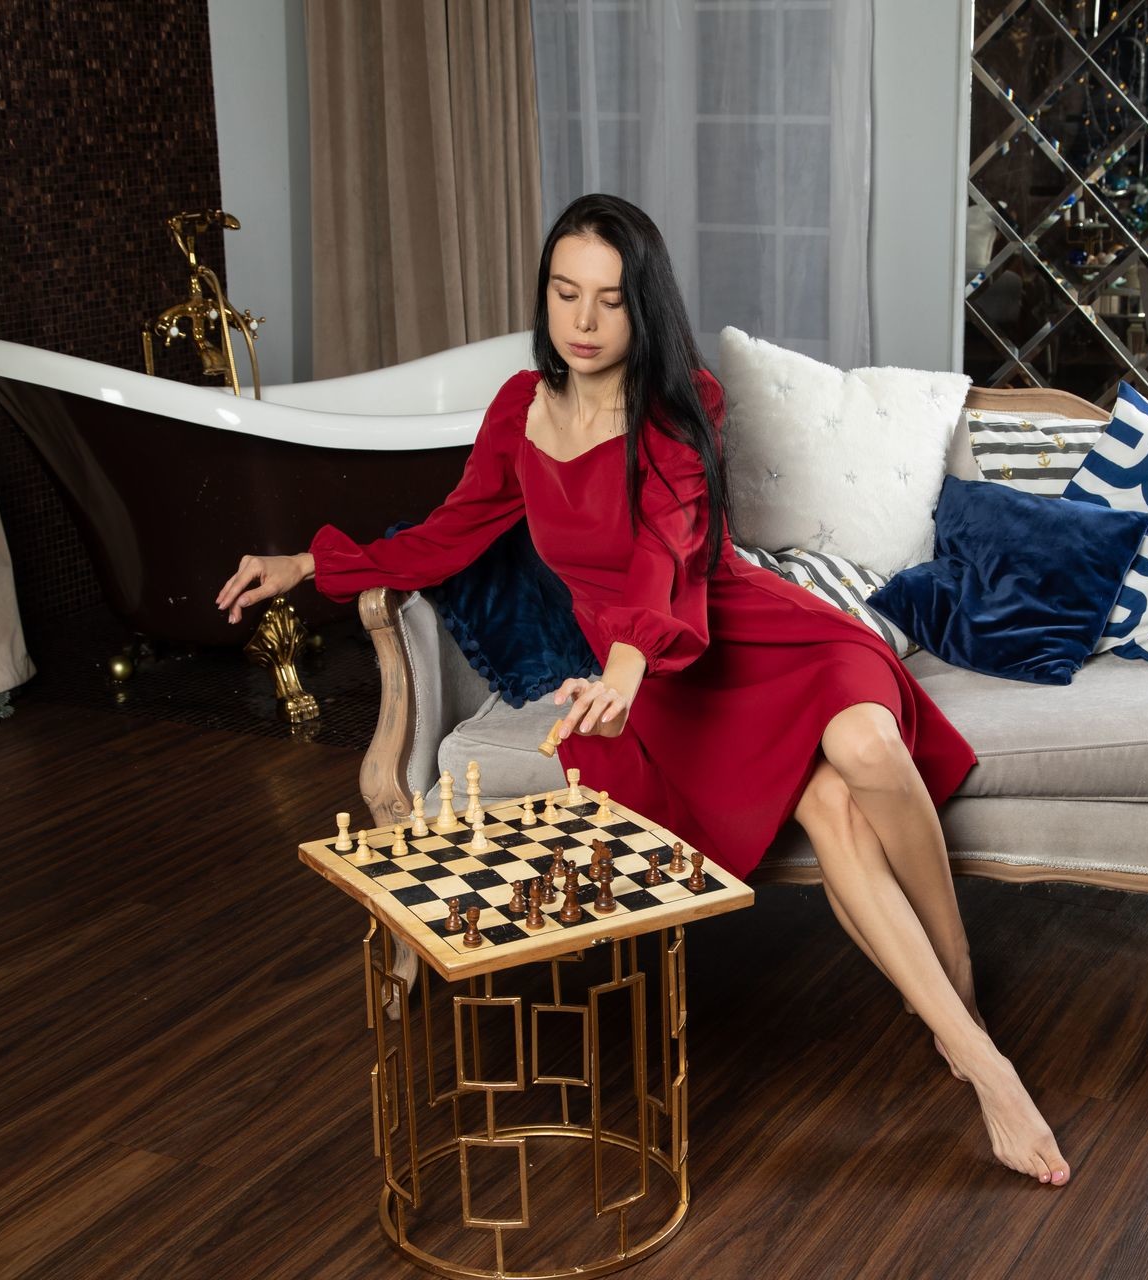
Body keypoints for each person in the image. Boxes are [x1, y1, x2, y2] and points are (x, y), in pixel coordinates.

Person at [214, 193, 1072, 1187]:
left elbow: (669, 555)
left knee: (869, 746)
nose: (583, 321)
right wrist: (311, 563)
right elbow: (448, 534)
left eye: (610, 300)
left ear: (643, 306)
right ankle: (982, 1061)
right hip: (660, 686)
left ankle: (958, 992)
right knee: (831, 804)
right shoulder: (518, 411)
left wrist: (623, 668)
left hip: (732, 631)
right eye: (565, 293)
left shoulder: (680, 404)